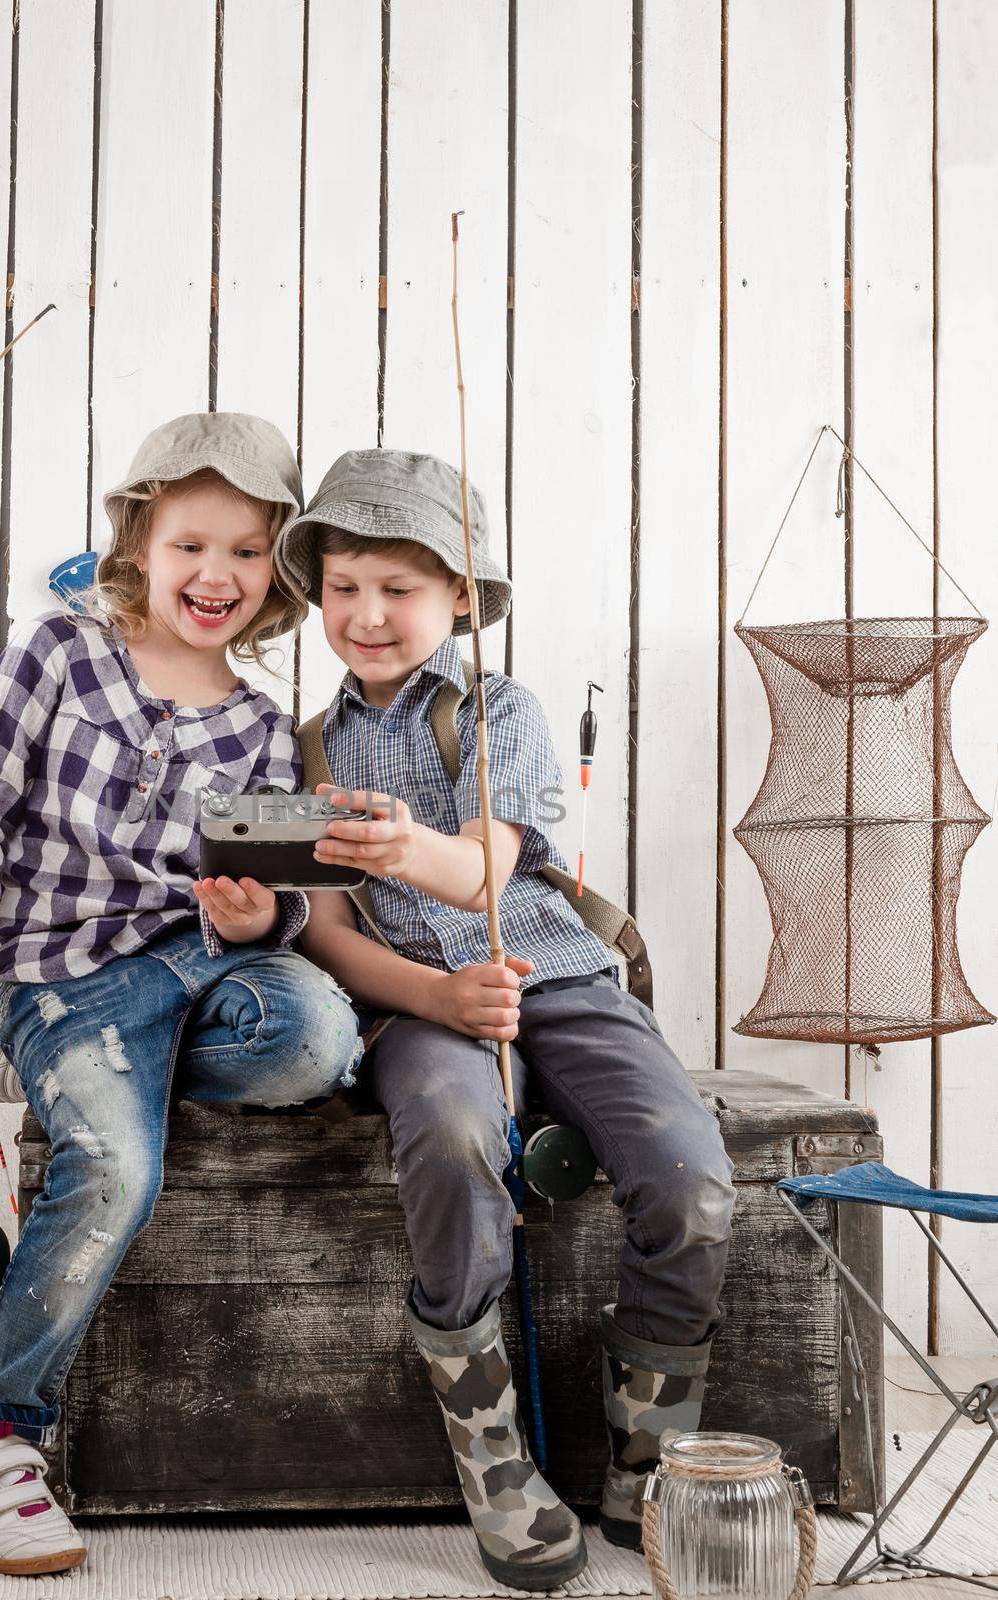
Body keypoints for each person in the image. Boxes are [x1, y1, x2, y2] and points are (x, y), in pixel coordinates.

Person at [279, 448, 736, 1590]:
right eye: (343, 586)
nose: (367, 614)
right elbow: (327, 934)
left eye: (400, 587)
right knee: (452, 1136)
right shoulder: (305, 752)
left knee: (689, 1177)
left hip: (558, 974)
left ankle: (649, 1449)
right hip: (419, 1006)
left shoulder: (505, 710)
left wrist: (404, 846)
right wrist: (434, 996)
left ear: (461, 600)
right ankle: (491, 1449)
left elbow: (485, 868)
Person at [0, 414, 364, 1576]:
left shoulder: (267, 731)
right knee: (116, 1163)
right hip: (65, 977)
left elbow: (282, 902)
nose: (214, 575)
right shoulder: (58, 653)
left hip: (202, 968)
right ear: (140, 544)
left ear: (277, 575)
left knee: (317, 1035)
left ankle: (122, 1089)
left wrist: (254, 916)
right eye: (189, 546)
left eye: (247, 552)